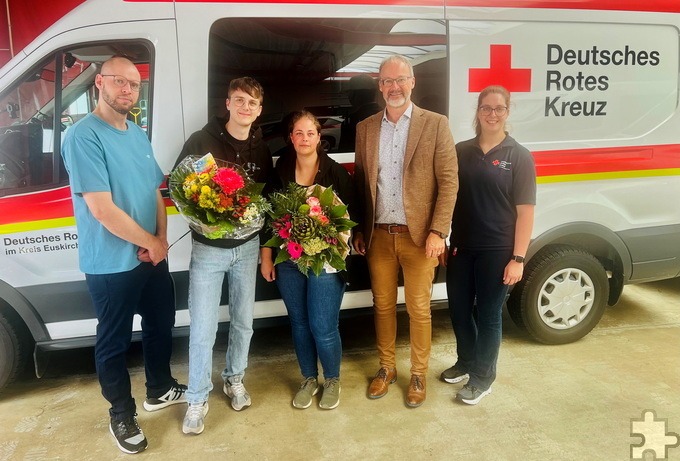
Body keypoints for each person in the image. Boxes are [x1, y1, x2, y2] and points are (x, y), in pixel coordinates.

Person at [61, 56, 186, 454]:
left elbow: (154, 192)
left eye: (134, 84)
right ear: (100, 83)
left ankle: (160, 388)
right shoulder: (83, 136)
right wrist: (150, 243)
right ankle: (121, 412)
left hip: (152, 256)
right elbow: (101, 208)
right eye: (120, 82)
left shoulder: (136, 133)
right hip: (111, 263)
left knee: (159, 323)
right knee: (113, 341)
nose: (128, 90)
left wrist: (160, 241)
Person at [353, 55, 458, 408]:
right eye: (386, 81)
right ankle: (386, 368)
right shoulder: (366, 127)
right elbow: (362, 184)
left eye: (400, 80)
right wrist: (359, 229)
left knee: (418, 309)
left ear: (412, 82)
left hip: (419, 237)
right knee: (381, 306)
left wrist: (438, 231)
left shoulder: (435, 124)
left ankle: (417, 373)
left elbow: (449, 182)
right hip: (379, 235)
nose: (393, 87)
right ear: (379, 86)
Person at [175, 77, 274, 435]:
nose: (245, 107)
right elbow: (181, 191)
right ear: (227, 104)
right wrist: (207, 222)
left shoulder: (262, 151)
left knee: (243, 322)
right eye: (239, 100)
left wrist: (262, 246)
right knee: (202, 328)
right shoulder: (202, 142)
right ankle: (197, 398)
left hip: (247, 250)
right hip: (209, 251)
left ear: (259, 110)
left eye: (252, 102)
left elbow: (267, 203)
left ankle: (234, 378)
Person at [440, 85, 536, 405]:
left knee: (489, 314)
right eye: (486, 108)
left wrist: (518, 258)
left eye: (499, 109)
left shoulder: (518, 156)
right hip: (462, 247)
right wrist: (441, 236)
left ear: (507, 113)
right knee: (459, 310)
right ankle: (466, 361)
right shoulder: (461, 150)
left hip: (498, 250)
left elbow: (525, 212)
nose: (492, 114)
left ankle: (483, 376)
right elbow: (446, 197)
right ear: (477, 112)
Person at [260, 110, 353, 410]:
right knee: (299, 323)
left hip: (326, 261)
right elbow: (268, 220)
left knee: (323, 325)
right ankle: (309, 379)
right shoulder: (279, 174)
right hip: (289, 262)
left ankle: (333, 379)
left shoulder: (335, 172)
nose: (304, 139)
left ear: (318, 137)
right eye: (298, 133)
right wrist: (266, 257)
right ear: (290, 137)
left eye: (309, 133)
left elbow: (352, 216)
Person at [338, 74, 382, 152]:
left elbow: (345, 154)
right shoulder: (388, 116)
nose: (349, 96)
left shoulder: (351, 121)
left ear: (355, 94)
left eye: (349, 93)